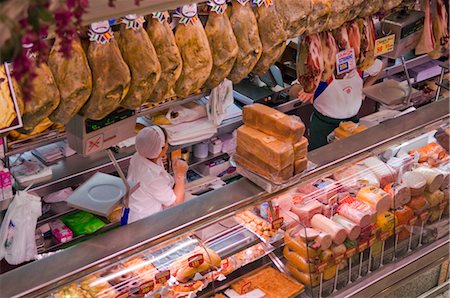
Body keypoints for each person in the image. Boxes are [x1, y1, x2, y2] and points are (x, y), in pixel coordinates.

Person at [298, 59, 384, 150]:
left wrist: (364, 89)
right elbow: (294, 87)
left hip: (352, 124)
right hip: (323, 127)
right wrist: (306, 90)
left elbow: (379, 67)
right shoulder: (321, 73)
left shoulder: (359, 65)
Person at [127, 126, 188, 223]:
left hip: (136, 211)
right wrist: (180, 175)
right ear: (162, 148)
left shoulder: (139, 155)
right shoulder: (152, 177)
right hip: (145, 222)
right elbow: (176, 203)